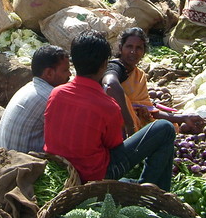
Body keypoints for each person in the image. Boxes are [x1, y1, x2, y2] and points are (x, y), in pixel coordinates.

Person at [44, 30, 176, 190]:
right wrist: (130, 125)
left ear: (74, 63)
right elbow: (114, 146)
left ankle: (152, 189)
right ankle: (148, 191)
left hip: (62, 168)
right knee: (165, 128)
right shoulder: (107, 105)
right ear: (104, 65)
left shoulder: (56, 93)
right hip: (95, 175)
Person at [103, 28, 190, 134]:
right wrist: (129, 123)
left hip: (135, 123)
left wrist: (183, 117)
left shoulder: (139, 75)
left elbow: (149, 110)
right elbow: (110, 84)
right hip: (119, 127)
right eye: (129, 46)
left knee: (171, 126)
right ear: (121, 48)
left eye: (138, 48)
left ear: (144, 52)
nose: (133, 52)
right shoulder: (115, 67)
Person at [0, 45, 71, 155]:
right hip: (21, 165)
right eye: (65, 70)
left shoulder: (29, 87)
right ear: (49, 73)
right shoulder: (50, 97)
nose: (70, 74)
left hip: (0, 156)